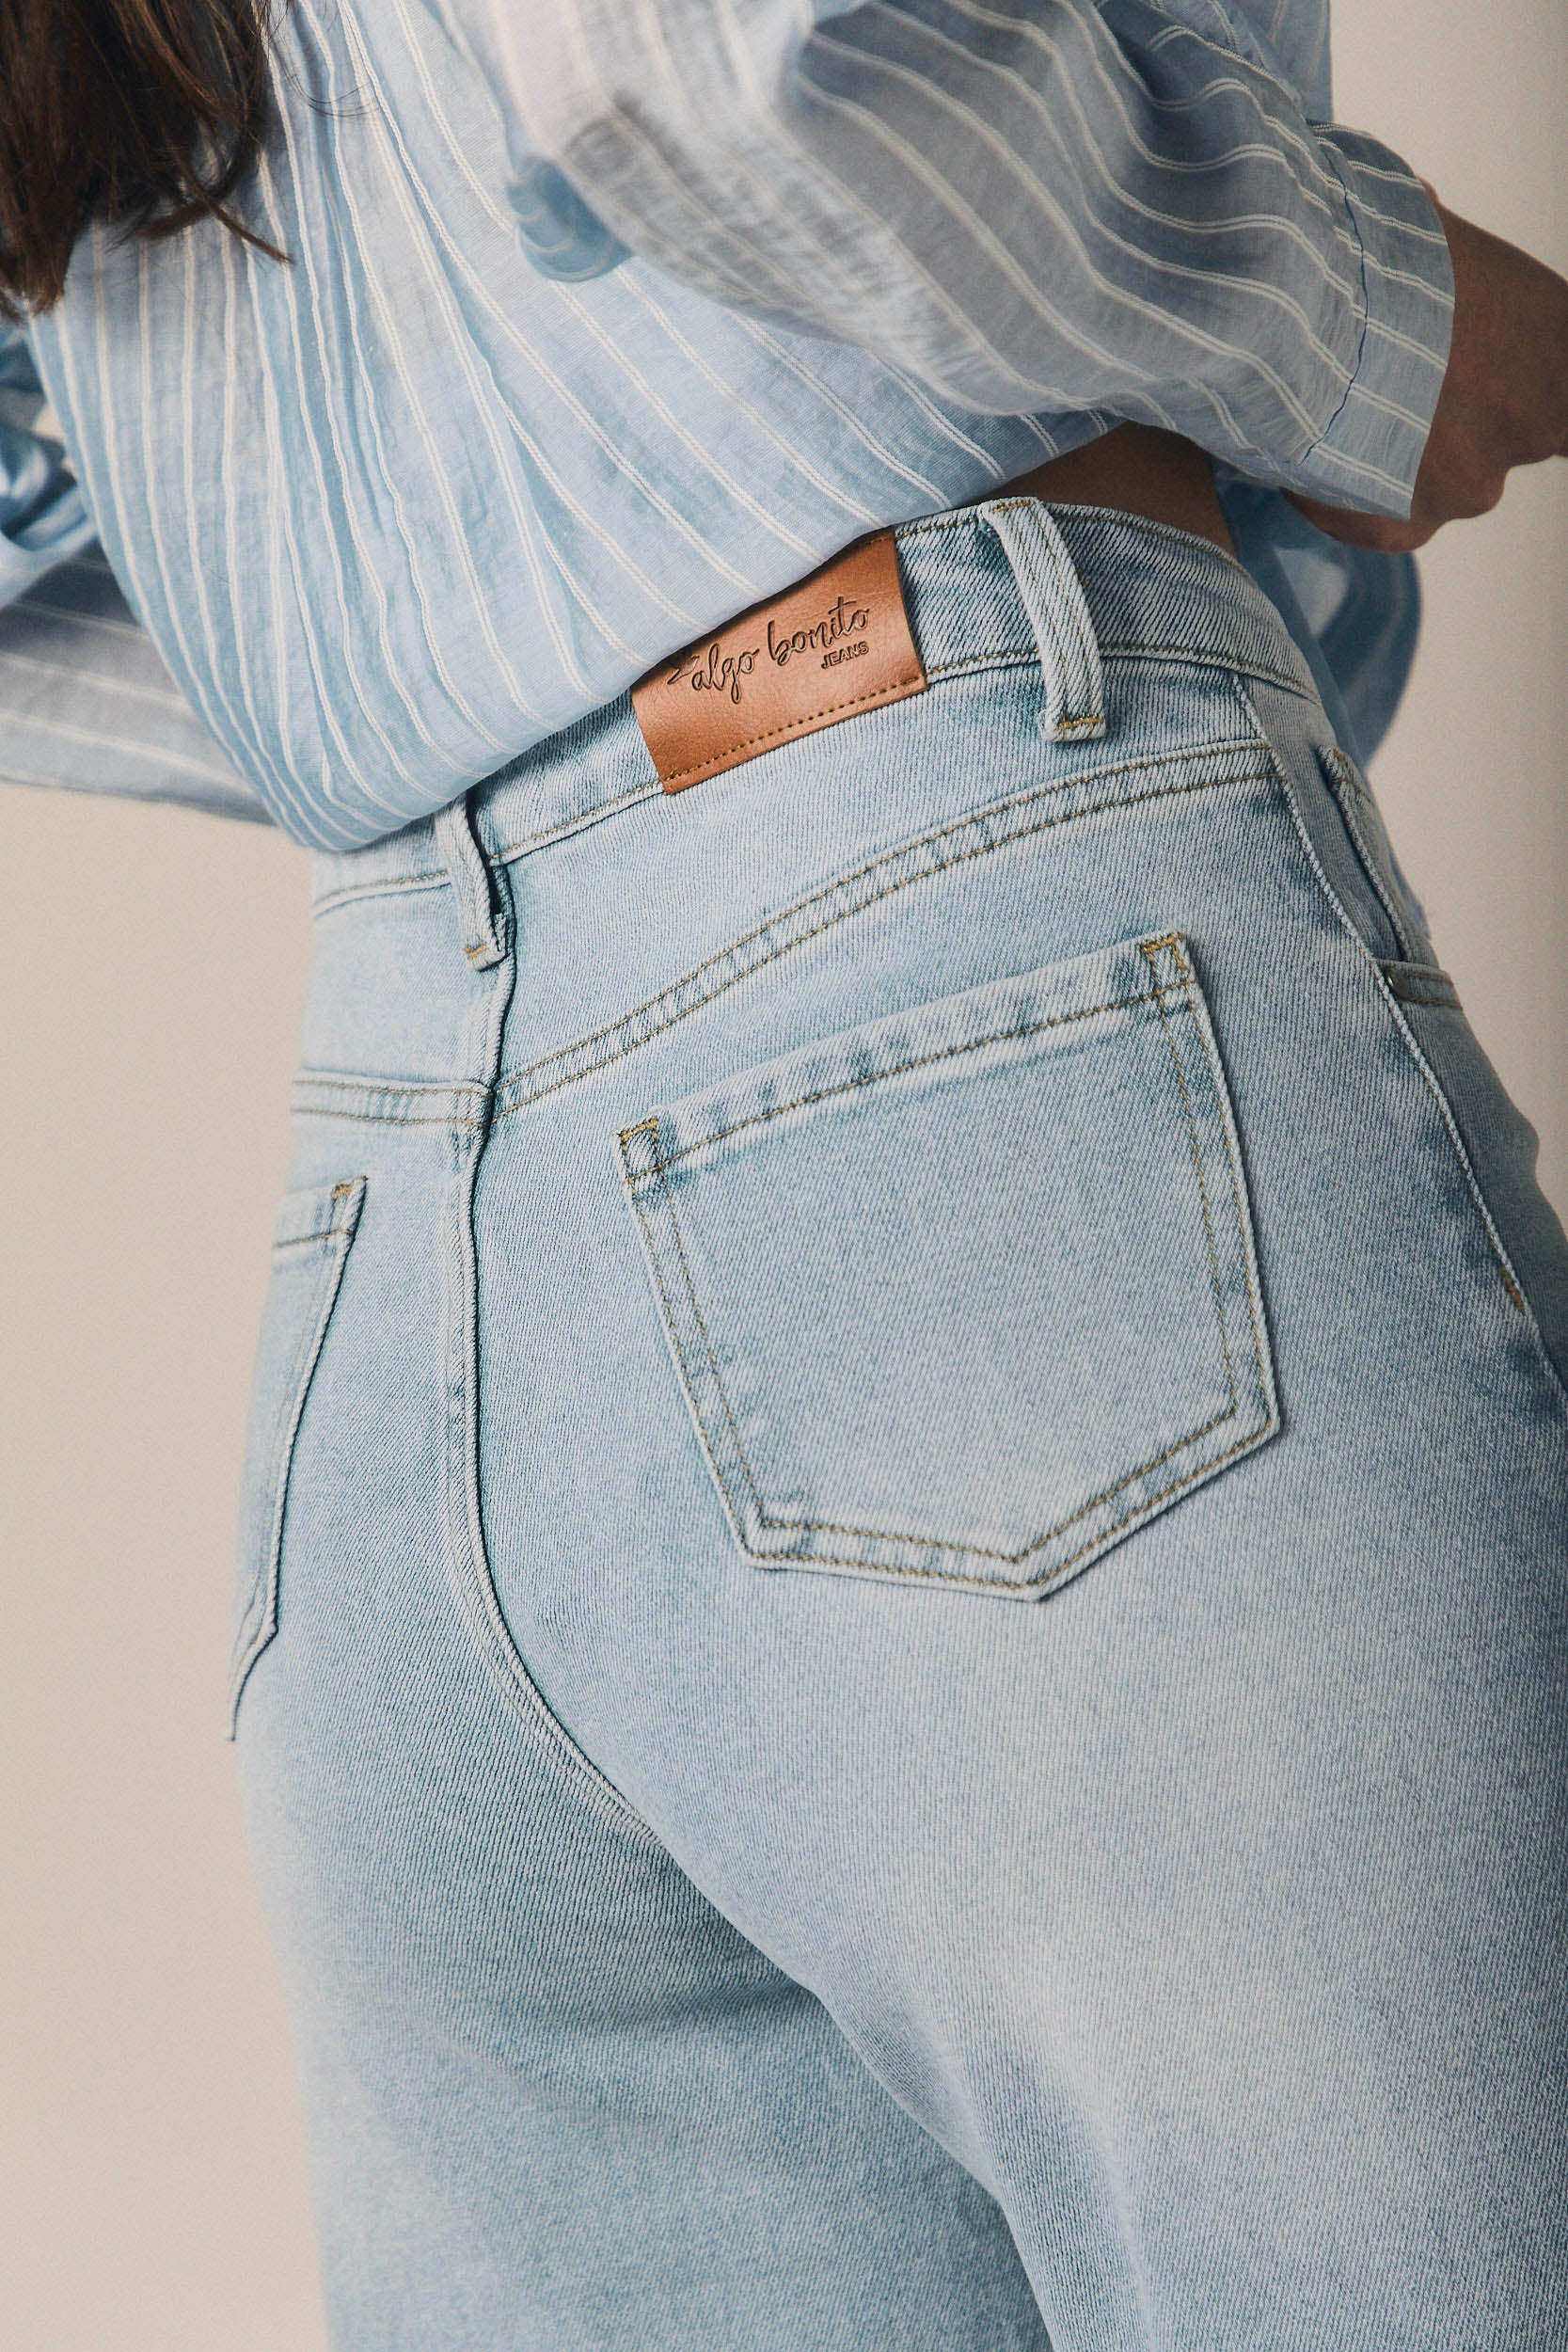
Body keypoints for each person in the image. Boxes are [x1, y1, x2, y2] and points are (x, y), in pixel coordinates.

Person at [2, 0, 1565, 2342]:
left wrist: (478, 657)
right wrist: (1365, 313)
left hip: (405, 1269)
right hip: (990, 1089)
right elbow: (708, 51)